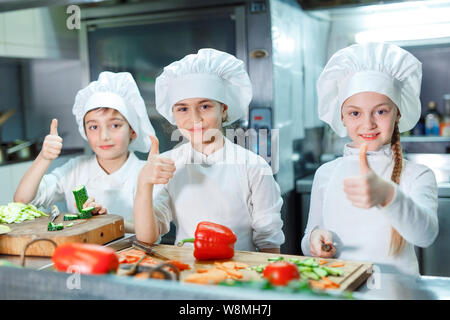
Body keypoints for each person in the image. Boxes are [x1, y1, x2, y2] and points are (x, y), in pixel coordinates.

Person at [301, 42, 439, 275]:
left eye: (381, 111)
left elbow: (426, 235)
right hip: (339, 289)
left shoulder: (417, 175)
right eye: (355, 113)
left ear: (398, 114)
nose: (368, 124)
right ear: (342, 118)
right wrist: (314, 240)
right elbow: (308, 238)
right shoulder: (325, 173)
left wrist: (387, 195)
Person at [134, 48, 285, 253]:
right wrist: (144, 183)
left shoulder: (253, 167)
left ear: (223, 110)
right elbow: (147, 238)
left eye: (205, 106)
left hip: (239, 275)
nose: (195, 119)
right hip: (187, 273)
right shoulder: (168, 164)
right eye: (183, 108)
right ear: (173, 114)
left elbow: (269, 243)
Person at [14, 71, 155, 233]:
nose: (104, 136)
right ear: (85, 132)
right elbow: (22, 200)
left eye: (115, 125)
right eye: (94, 127)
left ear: (133, 131)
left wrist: (106, 221)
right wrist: (44, 157)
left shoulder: (148, 173)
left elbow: (153, 232)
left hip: (135, 256)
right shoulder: (76, 168)